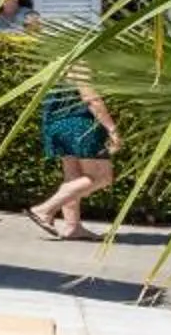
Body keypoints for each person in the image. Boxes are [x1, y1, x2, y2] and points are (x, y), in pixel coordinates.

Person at [29, 69, 121, 240]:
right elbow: (91, 98)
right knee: (101, 177)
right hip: (79, 124)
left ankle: (73, 227)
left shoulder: (63, 60)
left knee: (74, 178)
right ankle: (44, 210)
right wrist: (112, 129)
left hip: (57, 124)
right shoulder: (81, 62)